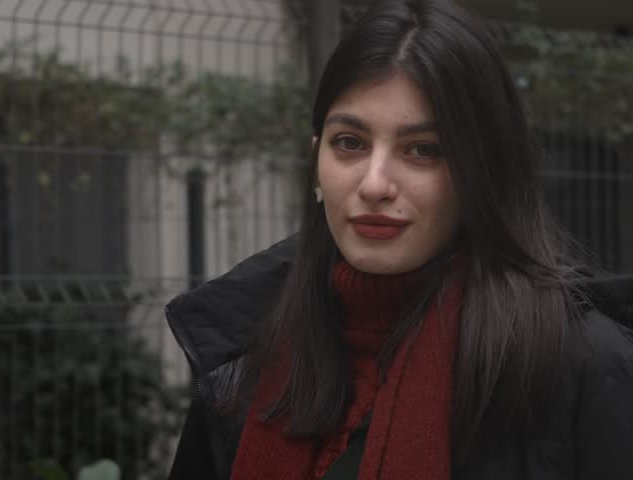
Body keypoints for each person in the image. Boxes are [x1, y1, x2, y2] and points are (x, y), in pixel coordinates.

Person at [165, 0, 633, 479]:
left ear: (483, 173)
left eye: (422, 150)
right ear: (316, 162)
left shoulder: (579, 366)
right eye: (350, 142)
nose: (374, 183)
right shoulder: (244, 362)